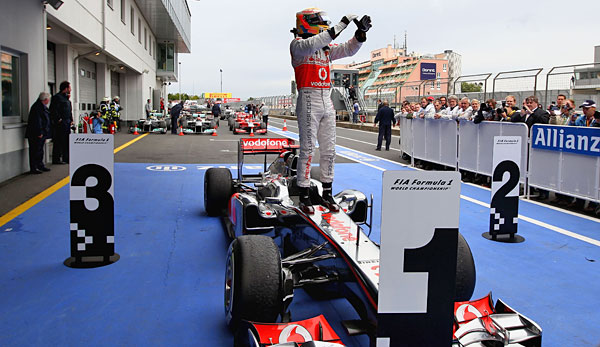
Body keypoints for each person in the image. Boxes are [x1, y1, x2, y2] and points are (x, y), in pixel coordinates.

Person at [290, 7, 371, 214]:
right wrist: (342, 24)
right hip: (308, 97)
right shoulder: (298, 46)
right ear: (307, 22)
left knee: (330, 150)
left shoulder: (325, 49)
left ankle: (327, 193)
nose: (324, 23)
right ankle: (304, 195)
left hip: (326, 97)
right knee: (308, 149)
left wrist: (360, 35)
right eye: (320, 20)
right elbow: (315, 42)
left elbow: (348, 49)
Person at [25, 92, 52, 174]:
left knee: (40, 150)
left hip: (42, 132)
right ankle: (34, 167)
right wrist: (39, 132)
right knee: (35, 150)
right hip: (36, 134)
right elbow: (37, 121)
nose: (49, 101)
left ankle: (40, 165)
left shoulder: (42, 107)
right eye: (48, 99)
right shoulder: (37, 108)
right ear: (46, 99)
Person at [50, 81, 73, 164]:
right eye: (69, 88)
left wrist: (71, 119)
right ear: (66, 88)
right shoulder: (57, 97)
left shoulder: (66, 98)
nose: (70, 89)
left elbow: (69, 110)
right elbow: (53, 110)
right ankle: (56, 159)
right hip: (61, 123)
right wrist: (58, 119)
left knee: (67, 141)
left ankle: (66, 158)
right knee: (59, 141)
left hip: (67, 122)